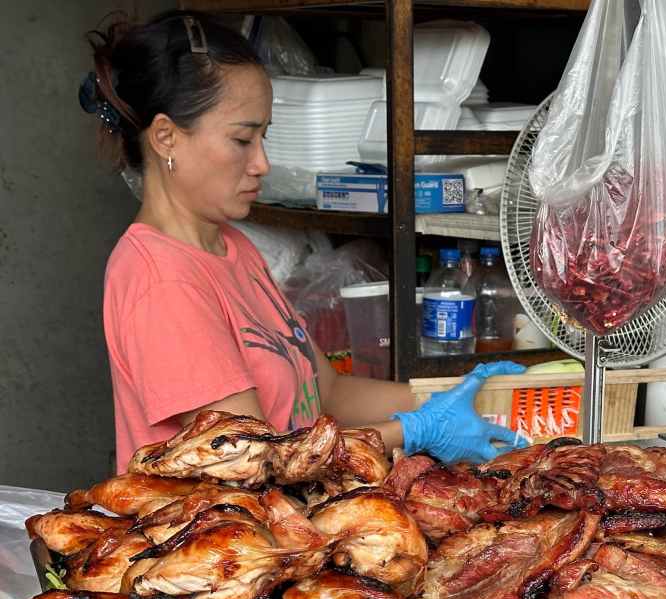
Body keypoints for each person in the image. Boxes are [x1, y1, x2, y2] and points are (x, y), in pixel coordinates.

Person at [82, 11, 524, 469]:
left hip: (292, 527)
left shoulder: (234, 249)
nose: (262, 163)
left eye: (264, 137)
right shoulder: (162, 281)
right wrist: (414, 432)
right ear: (166, 137)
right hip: (224, 538)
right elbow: (248, 461)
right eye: (242, 140)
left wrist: (449, 395)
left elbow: (328, 391)